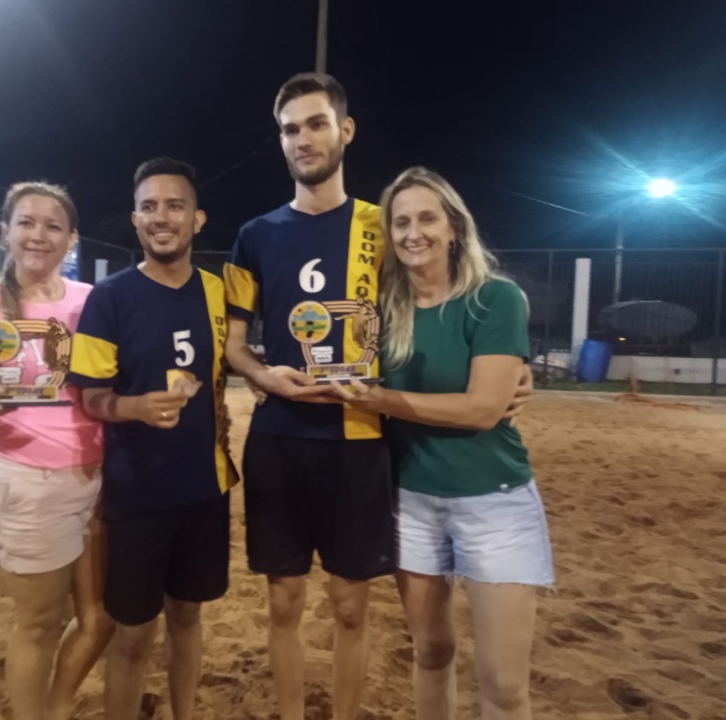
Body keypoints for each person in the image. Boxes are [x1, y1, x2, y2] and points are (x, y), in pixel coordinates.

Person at [223, 73, 534, 720]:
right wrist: (262, 376)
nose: (303, 139)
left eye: (316, 124)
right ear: (280, 141)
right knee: (282, 602)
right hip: (277, 437)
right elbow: (234, 344)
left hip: (359, 439)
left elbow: (440, 299)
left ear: (345, 130)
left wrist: (512, 367)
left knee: (350, 605)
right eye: (290, 129)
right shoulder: (254, 235)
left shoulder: (383, 229)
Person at [331, 166, 554, 720]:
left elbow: (482, 410)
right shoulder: (381, 309)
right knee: (430, 653)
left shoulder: (495, 299)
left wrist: (386, 403)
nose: (413, 232)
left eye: (426, 218)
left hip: (494, 501)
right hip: (412, 503)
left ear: (454, 227)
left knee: (502, 682)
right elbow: (331, 364)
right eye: (400, 221)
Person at [0, 182, 112, 720]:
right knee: (39, 625)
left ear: (72, 238)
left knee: (101, 618)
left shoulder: (92, 303)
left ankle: (56, 706)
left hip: (100, 479)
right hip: (28, 481)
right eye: (27, 223)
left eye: (53, 225)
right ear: (5, 231)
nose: (39, 235)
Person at [67, 157, 237, 720]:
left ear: (198, 218)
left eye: (175, 205)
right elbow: (90, 396)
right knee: (134, 634)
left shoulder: (217, 293)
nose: (162, 217)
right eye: (149, 207)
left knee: (188, 619)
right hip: (137, 495)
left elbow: (227, 372)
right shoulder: (109, 299)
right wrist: (134, 407)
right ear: (135, 220)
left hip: (205, 491)